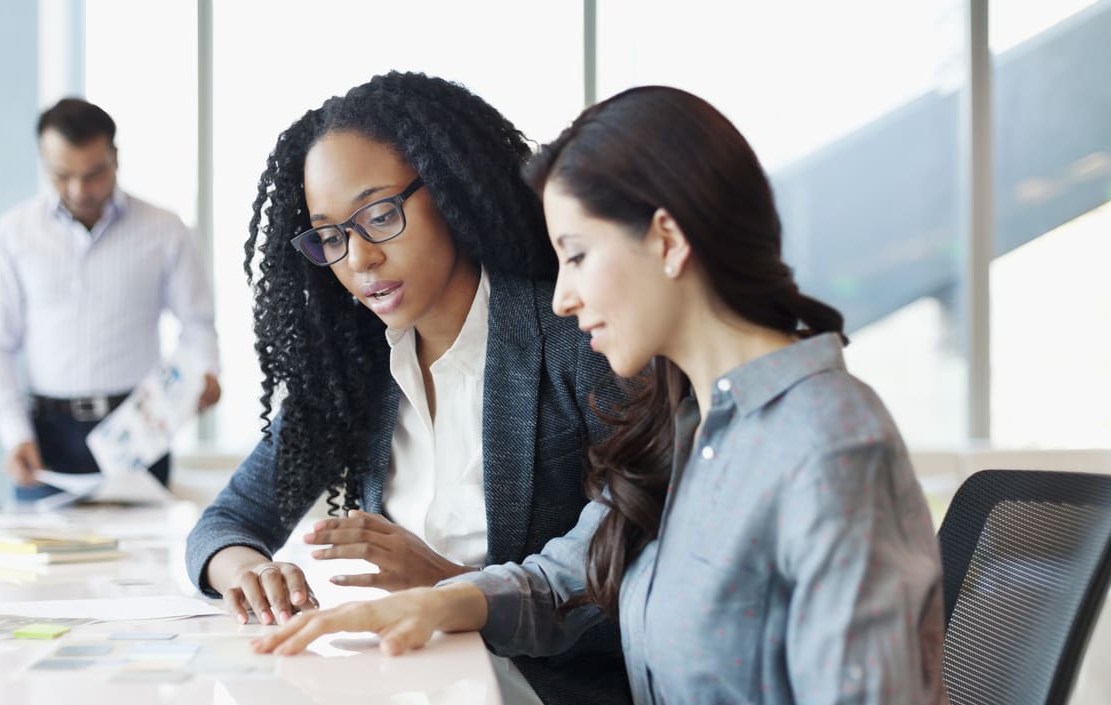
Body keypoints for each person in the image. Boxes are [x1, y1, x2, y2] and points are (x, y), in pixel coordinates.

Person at [251, 86, 949, 705]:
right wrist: (436, 602)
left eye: (577, 254)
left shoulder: (825, 441)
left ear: (667, 240)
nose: (563, 295)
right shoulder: (692, 424)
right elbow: (565, 579)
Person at [185, 72, 631, 705]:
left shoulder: (576, 336)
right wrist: (251, 572)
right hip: (412, 682)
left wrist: (449, 586)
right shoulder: (355, 371)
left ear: (449, 190)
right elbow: (226, 523)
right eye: (331, 235)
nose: (359, 258)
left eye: (380, 215)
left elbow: (628, 552)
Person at [0, 98, 221, 501]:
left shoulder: (165, 230)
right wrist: (13, 433)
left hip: (138, 429)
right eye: (62, 175)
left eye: (94, 174)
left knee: (145, 561)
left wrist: (205, 370)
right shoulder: (14, 234)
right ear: (43, 161)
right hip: (46, 437)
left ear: (115, 158)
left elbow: (196, 321)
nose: (79, 190)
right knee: (44, 562)